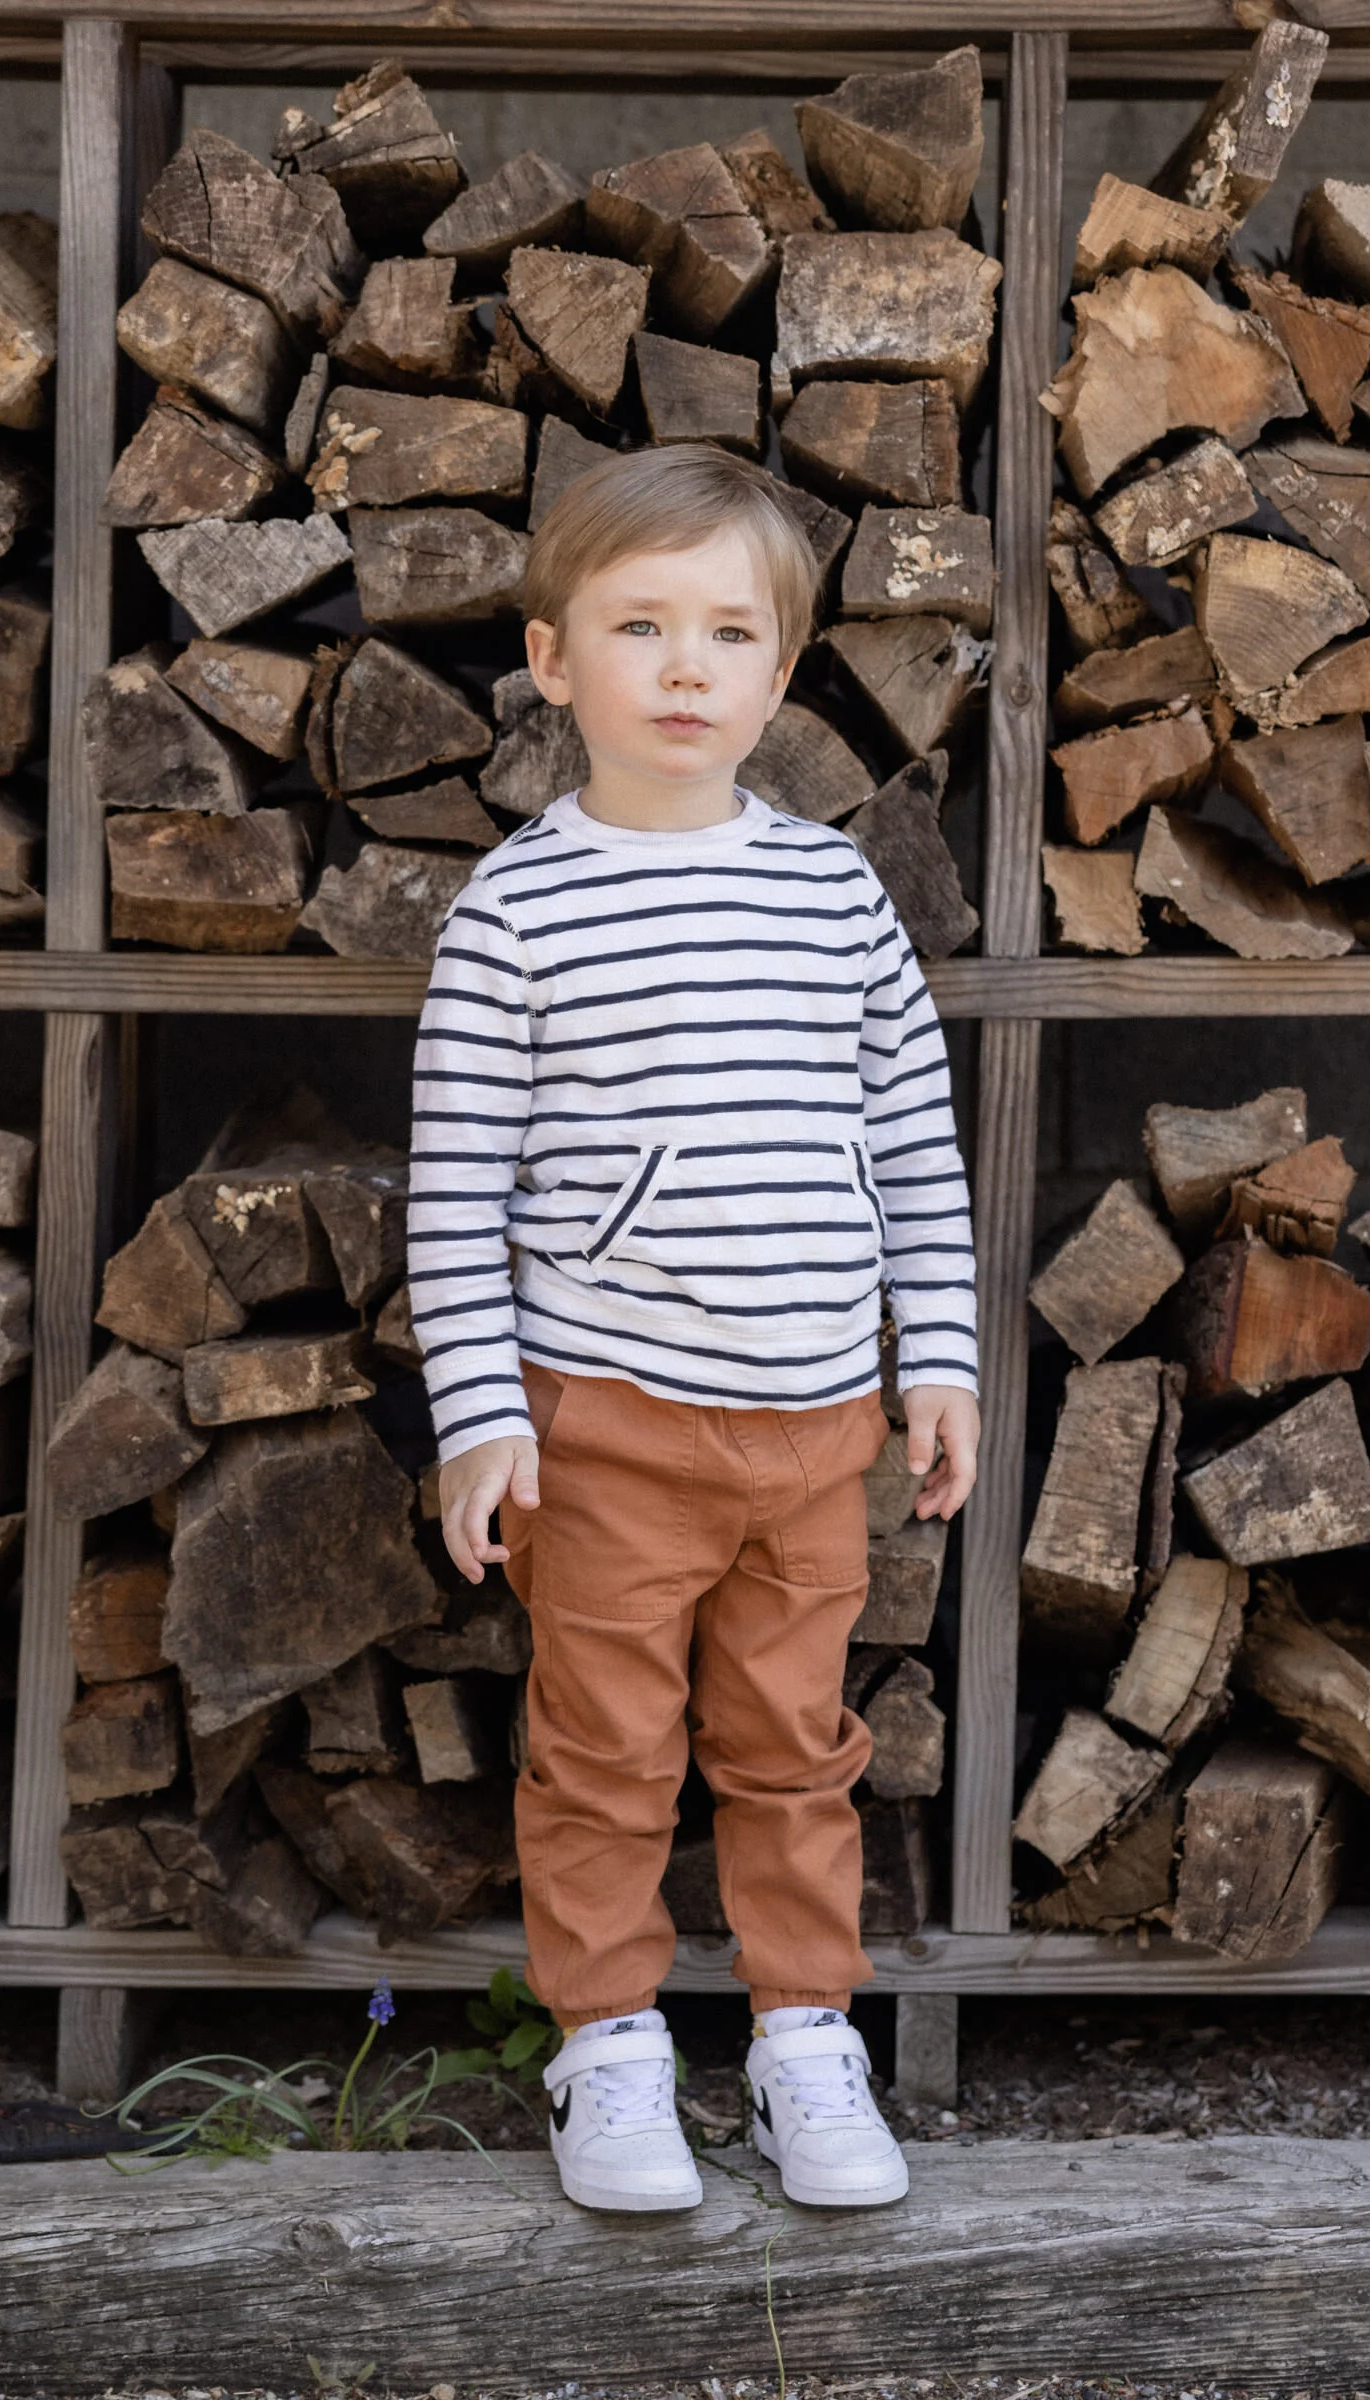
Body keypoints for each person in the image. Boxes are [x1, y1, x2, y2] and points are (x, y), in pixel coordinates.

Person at [408, 442, 980, 2214]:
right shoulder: (518, 910)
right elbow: (455, 1185)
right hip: (610, 1425)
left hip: (814, 1432)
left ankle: (808, 2036)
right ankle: (606, 2049)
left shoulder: (831, 892)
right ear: (551, 658)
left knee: (796, 1748)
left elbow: (912, 1139)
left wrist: (939, 1355)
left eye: (729, 633)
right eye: (638, 625)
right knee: (605, 1753)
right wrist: (480, 1416)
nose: (684, 668)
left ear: (781, 673)